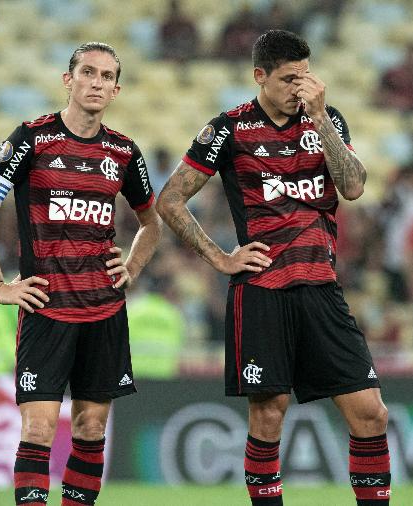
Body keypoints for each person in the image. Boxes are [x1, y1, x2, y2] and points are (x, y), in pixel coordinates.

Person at [157, 30, 391, 505]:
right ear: (259, 76)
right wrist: (220, 257)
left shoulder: (327, 120)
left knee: (371, 413)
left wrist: (322, 117)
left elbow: (353, 187)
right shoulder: (229, 128)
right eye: (288, 79)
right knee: (268, 416)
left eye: (305, 77)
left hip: (322, 286)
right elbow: (171, 200)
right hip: (261, 289)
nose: (299, 88)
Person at [0, 42, 160, 506]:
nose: (96, 82)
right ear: (68, 80)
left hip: (104, 310)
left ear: (116, 89)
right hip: (46, 309)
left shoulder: (124, 152)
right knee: (40, 428)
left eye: (107, 76)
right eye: (87, 72)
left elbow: (152, 222)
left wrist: (130, 266)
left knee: (91, 429)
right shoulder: (30, 140)